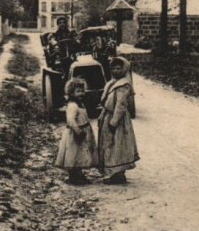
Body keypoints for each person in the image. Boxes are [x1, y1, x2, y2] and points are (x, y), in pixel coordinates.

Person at [98, 56, 139, 184]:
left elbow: (120, 105)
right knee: (109, 144)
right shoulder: (112, 82)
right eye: (114, 68)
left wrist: (114, 122)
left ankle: (118, 173)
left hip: (117, 119)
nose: (116, 71)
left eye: (118, 68)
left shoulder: (124, 85)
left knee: (117, 145)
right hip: (108, 114)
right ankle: (113, 172)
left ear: (124, 69)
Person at [54, 78, 98, 185]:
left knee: (80, 154)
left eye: (82, 91)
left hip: (83, 130)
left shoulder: (80, 103)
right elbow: (70, 120)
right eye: (78, 91)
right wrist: (78, 131)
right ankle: (74, 176)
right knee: (74, 154)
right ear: (71, 92)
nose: (81, 93)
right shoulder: (73, 105)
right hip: (76, 133)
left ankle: (79, 174)